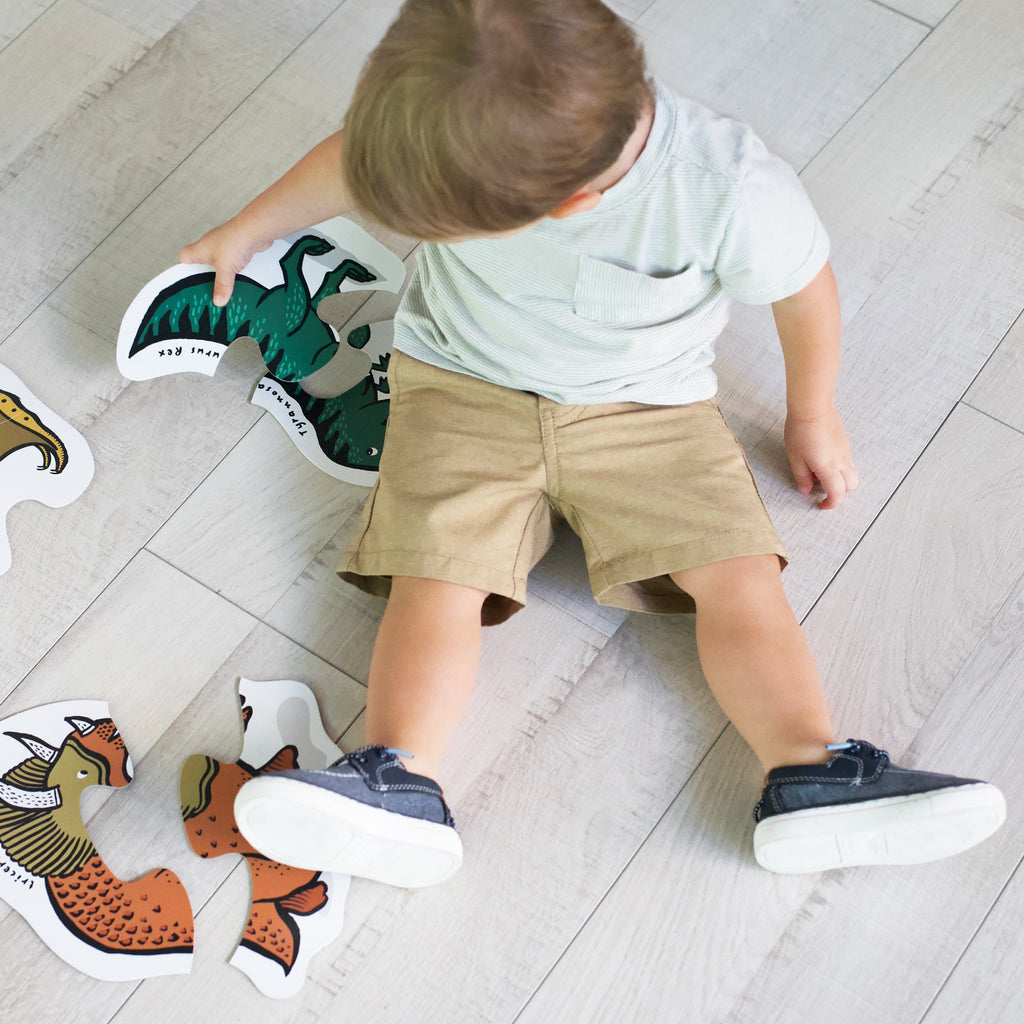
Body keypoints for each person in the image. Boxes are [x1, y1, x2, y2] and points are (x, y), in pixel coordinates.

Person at [183, 0, 1005, 885]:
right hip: (464, 383)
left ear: (570, 206)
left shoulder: (728, 188)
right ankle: (394, 778)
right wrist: (246, 227)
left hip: (649, 410)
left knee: (735, 573)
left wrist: (814, 410)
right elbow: (352, 161)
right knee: (439, 571)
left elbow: (805, 292)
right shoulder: (453, 128)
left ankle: (814, 768)